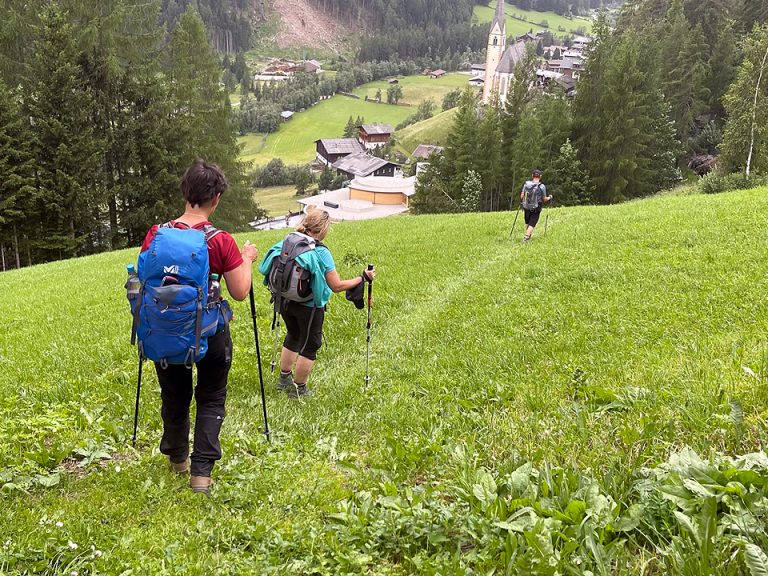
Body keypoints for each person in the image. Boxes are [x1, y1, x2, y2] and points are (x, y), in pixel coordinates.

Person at [139, 160, 258, 494]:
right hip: (209, 331)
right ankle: (201, 476)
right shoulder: (220, 240)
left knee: (174, 394)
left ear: (185, 193)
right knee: (210, 397)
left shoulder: (157, 234)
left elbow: (145, 277)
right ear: (216, 198)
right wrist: (246, 258)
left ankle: (177, 460)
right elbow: (239, 291)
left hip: (166, 330)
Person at [259, 207, 375, 399]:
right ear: (322, 229)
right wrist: (362, 277)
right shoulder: (320, 251)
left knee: (293, 335)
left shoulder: (288, 241)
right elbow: (336, 286)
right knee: (311, 344)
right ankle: (299, 389)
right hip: (309, 305)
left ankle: (284, 380)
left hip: (285, 300)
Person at [520, 169, 552, 242]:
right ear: (540, 176)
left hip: (526, 206)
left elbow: (522, 196)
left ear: (532, 176)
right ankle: (526, 237)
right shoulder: (542, 186)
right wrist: (550, 197)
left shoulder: (526, 184)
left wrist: (523, 201)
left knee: (527, 222)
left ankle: (528, 235)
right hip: (536, 207)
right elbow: (544, 199)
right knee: (532, 222)